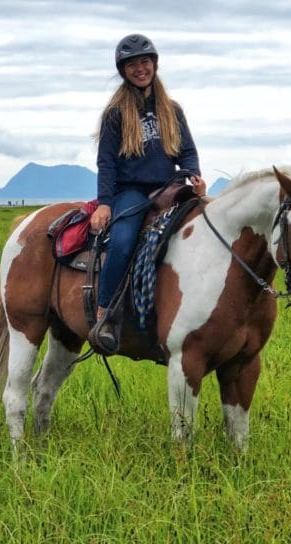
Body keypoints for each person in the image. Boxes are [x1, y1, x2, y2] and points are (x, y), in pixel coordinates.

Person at [88, 34, 206, 352]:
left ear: (154, 64)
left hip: (171, 187)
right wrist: (105, 204)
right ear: (123, 71)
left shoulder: (172, 110)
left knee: (204, 231)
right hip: (132, 191)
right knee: (123, 241)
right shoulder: (116, 113)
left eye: (145, 62)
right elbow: (106, 163)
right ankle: (105, 312)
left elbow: (187, 151)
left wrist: (193, 175)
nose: (140, 69)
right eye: (132, 65)